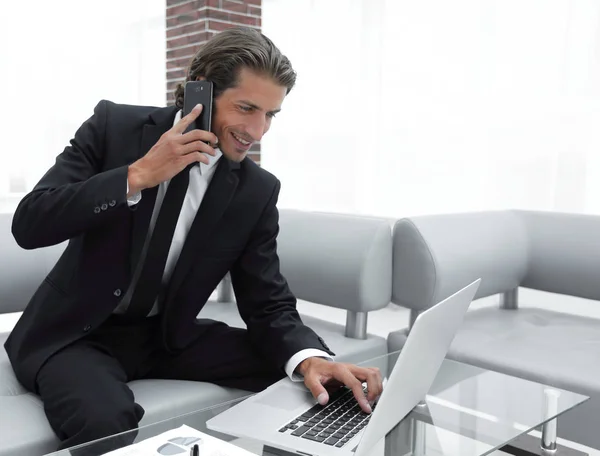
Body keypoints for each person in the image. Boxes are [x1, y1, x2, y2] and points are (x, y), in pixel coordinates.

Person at [4, 26, 382, 454]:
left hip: (166, 336)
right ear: (197, 93)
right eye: (246, 108)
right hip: (77, 333)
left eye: (270, 115)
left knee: (311, 376)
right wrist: (136, 176)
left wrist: (309, 358)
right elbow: (30, 223)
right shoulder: (114, 127)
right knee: (106, 420)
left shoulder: (256, 190)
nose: (257, 131)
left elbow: (266, 299)